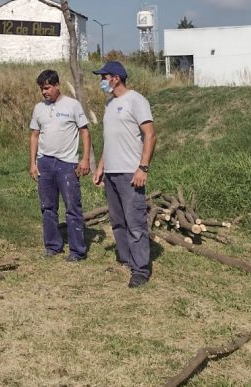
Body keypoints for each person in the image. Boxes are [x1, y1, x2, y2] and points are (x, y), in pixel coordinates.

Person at [90, 60, 157, 288]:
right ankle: (126, 259)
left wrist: (143, 167)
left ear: (115, 78)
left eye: (104, 77)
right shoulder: (109, 104)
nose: (101, 81)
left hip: (130, 173)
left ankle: (141, 269)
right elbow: (111, 141)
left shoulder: (136, 100)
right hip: (111, 173)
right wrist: (101, 167)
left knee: (135, 222)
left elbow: (150, 135)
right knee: (118, 221)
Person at [29, 69, 91, 261]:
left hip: (67, 163)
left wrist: (85, 159)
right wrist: (33, 163)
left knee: (72, 207)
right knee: (48, 207)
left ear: (57, 85)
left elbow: (85, 132)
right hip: (44, 163)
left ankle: (77, 251)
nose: (44, 92)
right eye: (41, 89)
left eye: (47, 88)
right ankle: (53, 246)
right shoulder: (39, 108)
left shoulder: (72, 105)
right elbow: (34, 135)